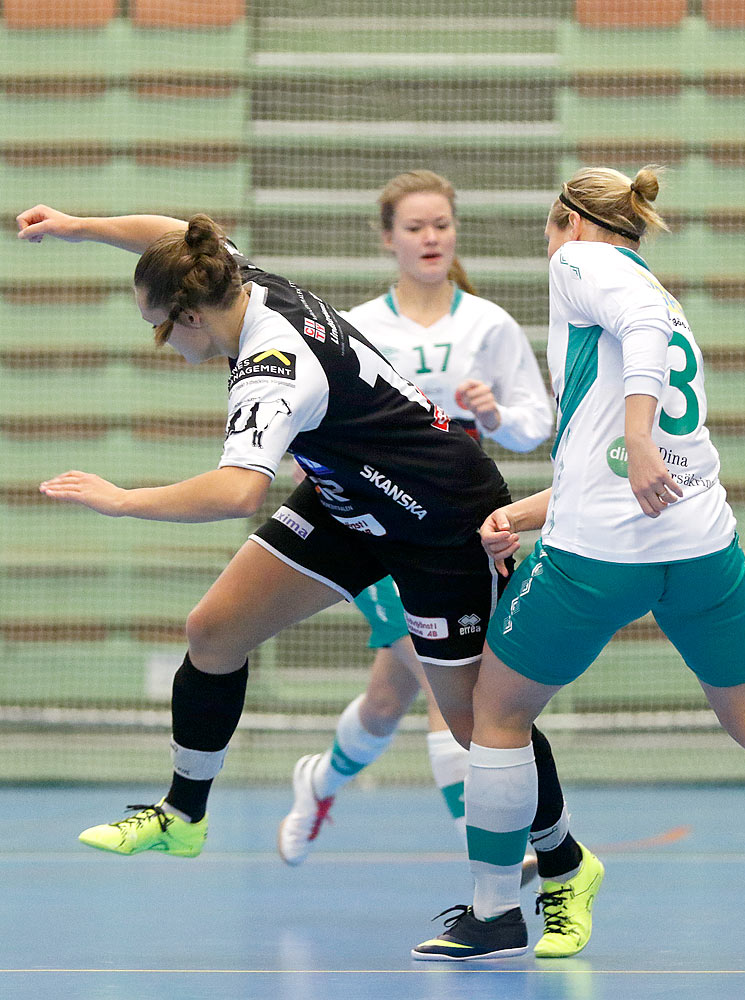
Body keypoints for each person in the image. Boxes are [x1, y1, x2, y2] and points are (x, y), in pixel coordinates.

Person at [14, 206, 590, 958]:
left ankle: (565, 867)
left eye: (161, 328)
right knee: (213, 633)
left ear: (191, 314)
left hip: (439, 516)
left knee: (480, 725)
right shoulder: (234, 276)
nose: (163, 343)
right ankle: (183, 816)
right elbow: (175, 234)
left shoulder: (270, 365)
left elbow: (235, 494)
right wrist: (80, 226)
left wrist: (121, 499)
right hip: (349, 499)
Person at [412, 166, 745, 961]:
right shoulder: (665, 300)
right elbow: (611, 458)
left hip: (600, 559)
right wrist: (526, 510)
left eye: (548, 231)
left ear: (571, 223)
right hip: (699, 545)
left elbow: (635, 394)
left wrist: (640, 437)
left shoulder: (584, 266)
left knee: (495, 714)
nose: (547, 247)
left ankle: (492, 912)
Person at [276, 170, 553, 870]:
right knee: (446, 688)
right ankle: (495, 854)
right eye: (415, 227)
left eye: (441, 225)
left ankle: (319, 781)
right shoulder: (358, 328)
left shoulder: (487, 324)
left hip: (456, 525)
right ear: (388, 238)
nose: (431, 238)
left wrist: (494, 416)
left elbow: (536, 425)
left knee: (383, 701)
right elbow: (313, 419)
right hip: (377, 529)